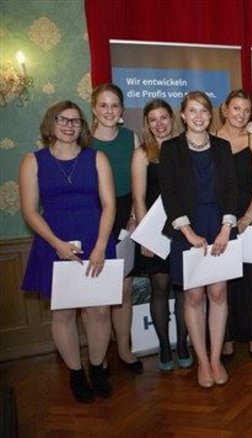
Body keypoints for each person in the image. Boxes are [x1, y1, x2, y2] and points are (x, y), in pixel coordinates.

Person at [20, 101, 116, 402]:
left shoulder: (97, 158)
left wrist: (100, 245)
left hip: (95, 240)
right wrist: (57, 244)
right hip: (54, 244)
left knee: (99, 310)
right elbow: (30, 211)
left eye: (75, 121)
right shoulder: (33, 161)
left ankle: (97, 368)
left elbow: (109, 205)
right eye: (62, 119)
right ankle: (76, 373)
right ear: (51, 123)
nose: (68, 125)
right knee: (63, 313)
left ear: (82, 126)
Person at [159, 91, 238, 389]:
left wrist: (226, 227)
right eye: (192, 110)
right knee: (193, 297)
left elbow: (231, 189)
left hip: (219, 226)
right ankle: (202, 362)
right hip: (186, 230)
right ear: (182, 115)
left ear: (210, 114)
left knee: (218, 294)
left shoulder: (222, 147)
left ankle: (216, 359)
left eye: (203, 110)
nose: (198, 116)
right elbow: (169, 194)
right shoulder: (171, 149)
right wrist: (188, 233)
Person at [131, 99, 191, 371]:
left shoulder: (184, 148)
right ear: (147, 124)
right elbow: (139, 198)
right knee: (159, 288)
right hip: (154, 232)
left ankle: (182, 344)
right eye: (153, 119)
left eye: (163, 117)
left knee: (183, 289)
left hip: (183, 230)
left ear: (172, 118)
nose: (159, 123)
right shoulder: (143, 153)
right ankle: (164, 347)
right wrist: (146, 238)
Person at [89, 83, 143, 373]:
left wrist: (134, 217)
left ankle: (124, 348)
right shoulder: (84, 141)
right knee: (96, 295)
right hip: (93, 217)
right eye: (103, 105)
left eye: (115, 105)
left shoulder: (130, 137)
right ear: (94, 109)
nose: (109, 111)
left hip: (124, 218)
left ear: (121, 110)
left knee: (123, 289)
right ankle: (99, 354)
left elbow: (138, 184)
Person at [216, 90, 252, 359]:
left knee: (251, 278)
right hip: (220, 218)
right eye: (236, 108)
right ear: (225, 109)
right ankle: (226, 338)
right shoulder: (211, 140)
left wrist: (249, 214)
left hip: (251, 215)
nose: (241, 114)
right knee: (222, 279)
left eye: (246, 110)